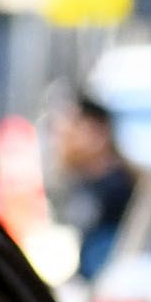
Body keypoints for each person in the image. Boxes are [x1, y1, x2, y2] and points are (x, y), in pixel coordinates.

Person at [49, 85, 137, 256]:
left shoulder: (116, 189)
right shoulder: (83, 182)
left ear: (97, 132)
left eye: (74, 126)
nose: (64, 137)